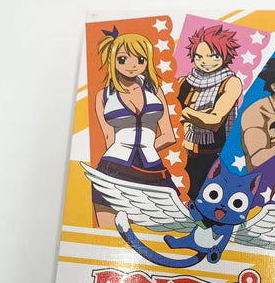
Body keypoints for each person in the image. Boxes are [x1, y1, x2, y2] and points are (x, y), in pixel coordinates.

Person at [92, 27, 176, 227]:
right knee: (109, 234)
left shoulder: (155, 90)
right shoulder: (103, 95)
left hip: (152, 170)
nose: (132, 65)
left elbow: (169, 136)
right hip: (114, 167)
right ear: (113, 60)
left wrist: (143, 151)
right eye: (123, 59)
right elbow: (109, 138)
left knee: (157, 234)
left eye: (140, 59)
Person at [177, 25, 242, 199]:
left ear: (225, 55)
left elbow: (214, 121)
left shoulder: (230, 82)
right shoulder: (183, 81)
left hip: (212, 158)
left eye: (214, 56)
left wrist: (183, 113)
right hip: (180, 154)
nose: (206, 62)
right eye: (199, 56)